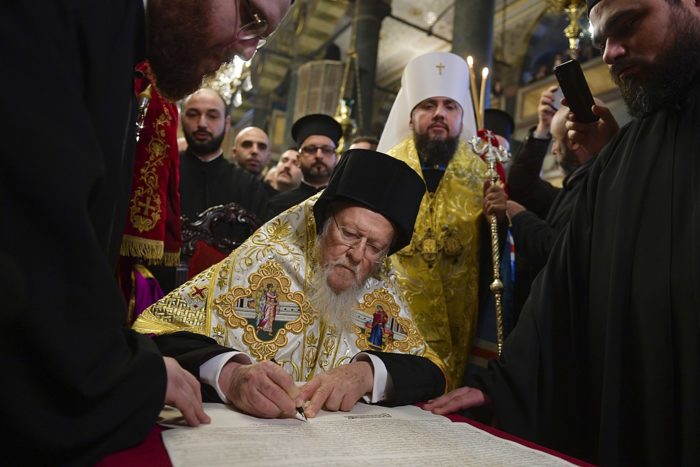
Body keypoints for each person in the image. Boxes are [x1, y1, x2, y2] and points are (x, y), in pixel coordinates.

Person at [0, 1, 294, 463]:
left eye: (261, 37)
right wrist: (129, 374)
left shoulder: (123, 47)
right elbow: (33, 244)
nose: (244, 51)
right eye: (250, 17)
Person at [425, 0, 700, 464]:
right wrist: (503, 386)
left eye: (628, 25)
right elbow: (567, 283)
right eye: (602, 42)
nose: (610, 54)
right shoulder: (625, 152)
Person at [133, 149, 447, 419]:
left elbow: (434, 372)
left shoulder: (381, 288)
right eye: (349, 234)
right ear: (323, 222)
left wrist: (369, 372)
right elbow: (157, 331)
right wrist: (231, 373)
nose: (356, 255)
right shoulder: (266, 260)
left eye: (375, 247)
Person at [377, 51, 489, 387]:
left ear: (461, 117)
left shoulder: (484, 175)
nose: (439, 114)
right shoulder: (384, 169)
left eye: (449, 106)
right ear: (410, 118)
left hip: (462, 326)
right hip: (395, 325)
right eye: (428, 105)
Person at [497, 95, 617, 318]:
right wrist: (543, 126)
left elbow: (562, 251)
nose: (553, 150)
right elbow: (523, 186)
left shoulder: (598, 187)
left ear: (572, 141)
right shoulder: (575, 185)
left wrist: (520, 216)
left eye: (553, 140)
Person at [179, 88, 269, 221]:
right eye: (193, 114)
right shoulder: (165, 171)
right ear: (182, 121)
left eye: (212, 116)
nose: (202, 124)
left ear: (226, 124)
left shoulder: (248, 185)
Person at [265, 114, 342, 220]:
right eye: (311, 149)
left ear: (336, 158)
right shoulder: (277, 204)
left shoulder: (344, 205)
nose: (319, 156)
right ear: (298, 159)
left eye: (326, 150)